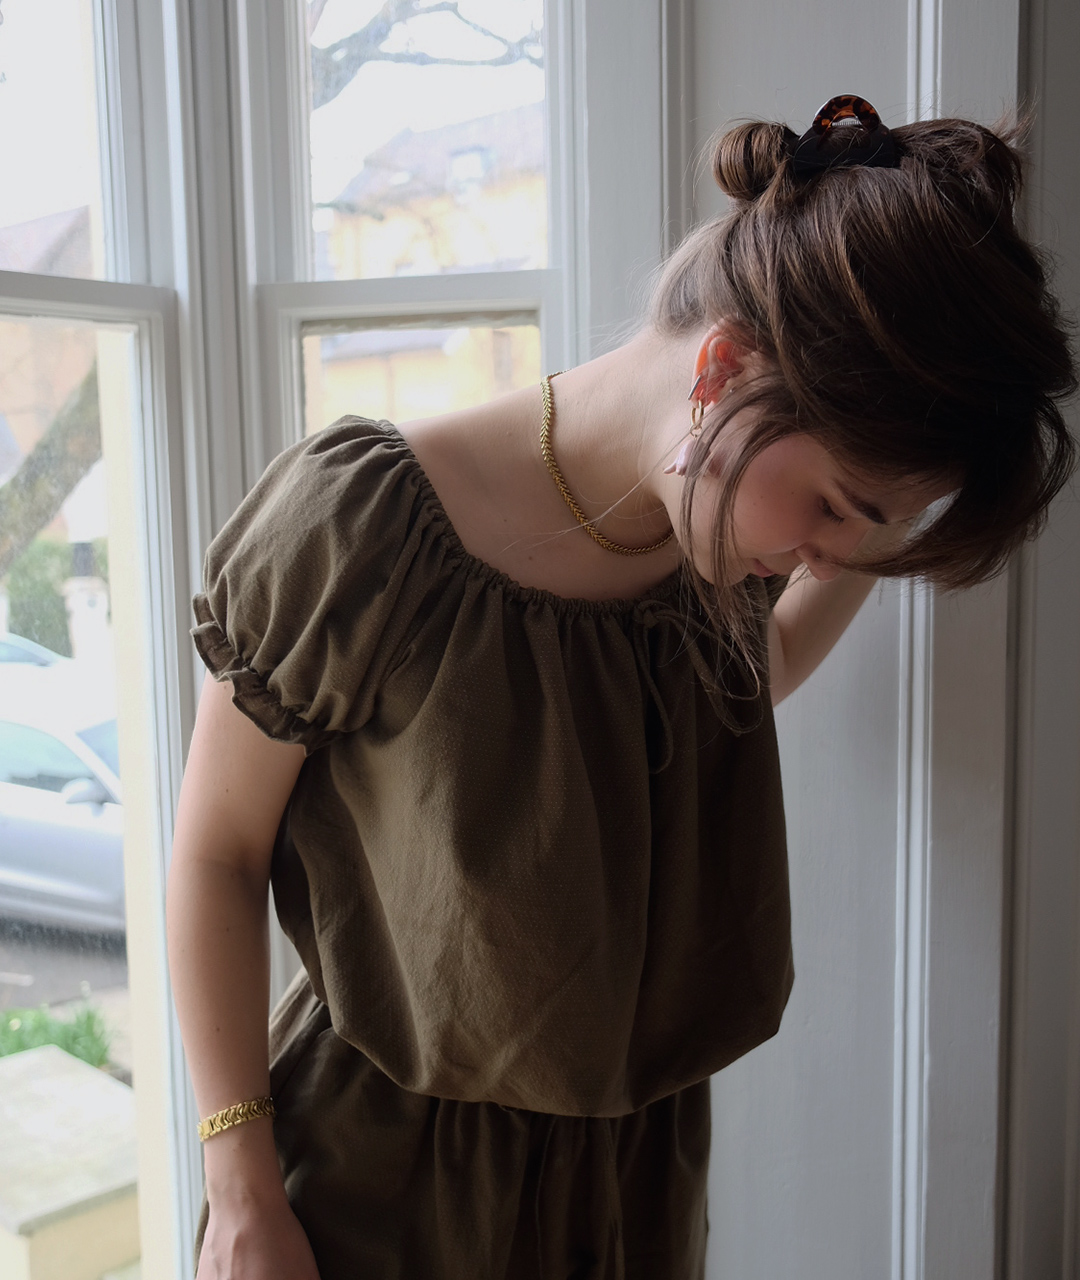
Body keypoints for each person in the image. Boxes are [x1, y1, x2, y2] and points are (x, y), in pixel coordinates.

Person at [167, 96, 1076, 1280]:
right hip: (375, 1183)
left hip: (636, 1182)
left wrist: (865, 538)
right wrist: (239, 1188)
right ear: (725, 368)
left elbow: (741, 683)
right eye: (838, 504)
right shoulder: (358, 525)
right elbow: (216, 850)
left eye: (874, 528)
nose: (831, 552)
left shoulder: (707, 533)